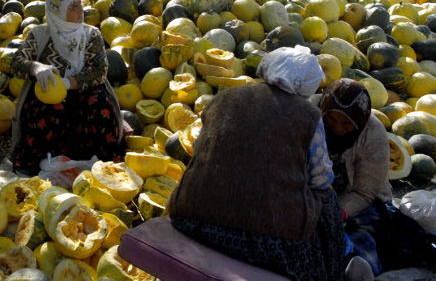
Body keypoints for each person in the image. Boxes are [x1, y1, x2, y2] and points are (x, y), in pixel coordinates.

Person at [167, 46, 347, 281]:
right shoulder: (308, 115)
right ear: (307, 85)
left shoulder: (224, 98)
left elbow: (201, 149)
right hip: (264, 244)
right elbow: (321, 179)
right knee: (329, 202)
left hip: (192, 219)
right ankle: (332, 276)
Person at [320, 79, 435, 274]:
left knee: (362, 233)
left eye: (346, 124)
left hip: (364, 203)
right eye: (331, 120)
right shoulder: (312, 118)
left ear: (360, 120)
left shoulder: (373, 133)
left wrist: (339, 212)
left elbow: (364, 193)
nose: (338, 129)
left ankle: (359, 267)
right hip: (319, 199)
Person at [7, 0, 124, 176]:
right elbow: (16, 63)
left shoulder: (91, 35)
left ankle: (102, 162)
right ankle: (38, 163)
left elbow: (99, 71)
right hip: (48, 92)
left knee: (100, 107)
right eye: (74, 7)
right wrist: (36, 68)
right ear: (56, 11)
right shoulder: (39, 34)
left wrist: (69, 83)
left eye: (80, 5)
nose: (81, 12)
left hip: (84, 90)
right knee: (44, 112)